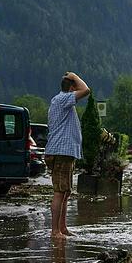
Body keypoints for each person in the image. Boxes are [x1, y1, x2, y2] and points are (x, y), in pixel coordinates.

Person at [45, 72, 90, 239]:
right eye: (74, 86)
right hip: (60, 152)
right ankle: (54, 231)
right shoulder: (63, 98)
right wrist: (75, 76)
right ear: (71, 88)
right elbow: (86, 90)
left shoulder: (63, 101)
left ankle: (62, 228)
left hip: (66, 152)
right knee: (59, 191)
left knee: (66, 191)